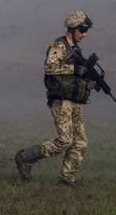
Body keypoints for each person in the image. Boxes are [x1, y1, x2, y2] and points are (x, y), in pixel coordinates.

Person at [15, 10, 95, 187]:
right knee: (65, 141)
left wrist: (88, 81)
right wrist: (74, 69)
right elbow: (49, 68)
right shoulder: (58, 46)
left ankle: (67, 179)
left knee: (80, 142)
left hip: (74, 101)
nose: (84, 34)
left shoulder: (75, 49)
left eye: (86, 30)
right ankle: (25, 157)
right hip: (60, 101)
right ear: (72, 28)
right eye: (82, 30)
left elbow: (75, 75)